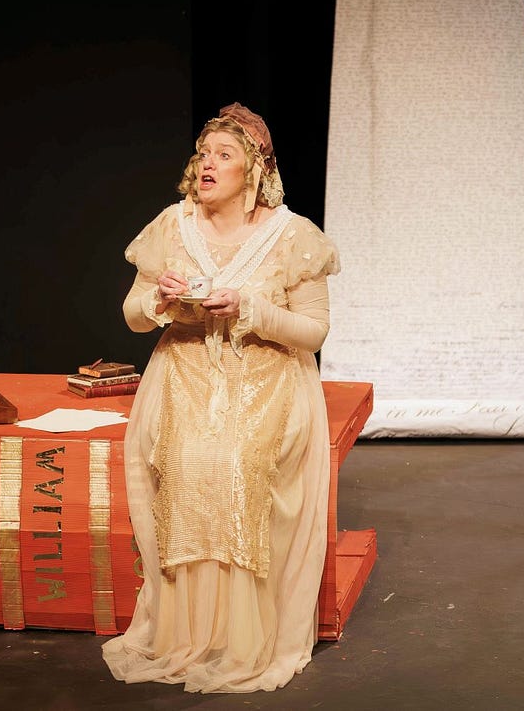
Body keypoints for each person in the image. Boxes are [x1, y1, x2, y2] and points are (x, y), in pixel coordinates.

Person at [101, 102, 341, 693]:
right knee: (187, 466)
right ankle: (190, 632)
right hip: (185, 379)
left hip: (268, 383)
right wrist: (159, 300)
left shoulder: (293, 235)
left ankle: (245, 635)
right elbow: (133, 314)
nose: (207, 164)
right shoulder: (173, 224)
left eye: (223, 155)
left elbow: (314, 332)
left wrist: (251, 308)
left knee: (239, 467)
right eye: (203, 153)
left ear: (253, 170)